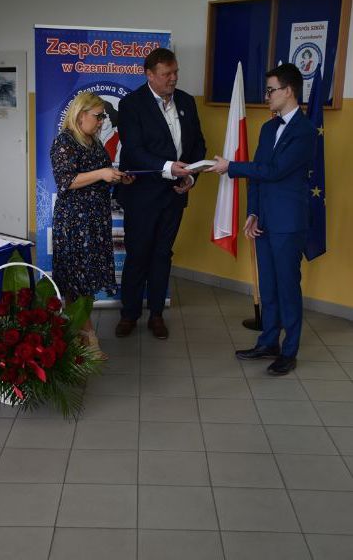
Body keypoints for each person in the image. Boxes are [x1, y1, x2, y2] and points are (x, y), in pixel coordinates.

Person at [209, 63, 316, 375]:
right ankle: (269, 342)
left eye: (271, 90)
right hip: (265, 219)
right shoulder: (268, 128)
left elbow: (275, 171)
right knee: (268, 285)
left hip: (288, 223)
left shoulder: (305, 131)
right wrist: (253, 212)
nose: (266, 96)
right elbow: (257, 175)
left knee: (287, 287)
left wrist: (231, 166)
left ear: (289, 91)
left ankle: (289, 351)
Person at [115, 47, 206, 339]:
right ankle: (129, 314)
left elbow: (198, 145)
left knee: (162, 254)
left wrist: (191, 176)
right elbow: (134, 150)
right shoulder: (131, 104)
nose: (173, 78)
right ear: (150, 75)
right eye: (167, 74)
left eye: (175, 72)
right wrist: (168, 167)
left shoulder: (187, 101)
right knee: (138, 253)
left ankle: (156, 314)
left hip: (175, 194)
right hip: (142, 194)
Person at [50, 92, 131, 360]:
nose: (101, 121)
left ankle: (77, 332)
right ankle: (87, 336)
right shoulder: (64, 142)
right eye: (98, 116)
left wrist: (116, 177)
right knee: (75, 279)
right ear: (80, 115)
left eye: (103, 116)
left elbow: (100, 176)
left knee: (86, 278)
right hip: (74, 221)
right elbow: (66, 181)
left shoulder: (93, 142)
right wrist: (101, 174)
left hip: (95, 220)